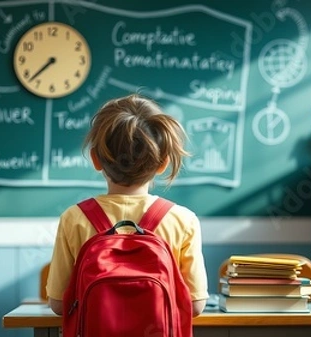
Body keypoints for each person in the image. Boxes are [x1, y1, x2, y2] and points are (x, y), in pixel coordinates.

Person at [45, 93, 208, 317]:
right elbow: (195, 305)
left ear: (95, 159)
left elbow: (59, 305)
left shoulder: (74, 218)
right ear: (163, 164)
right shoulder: (182, 220)